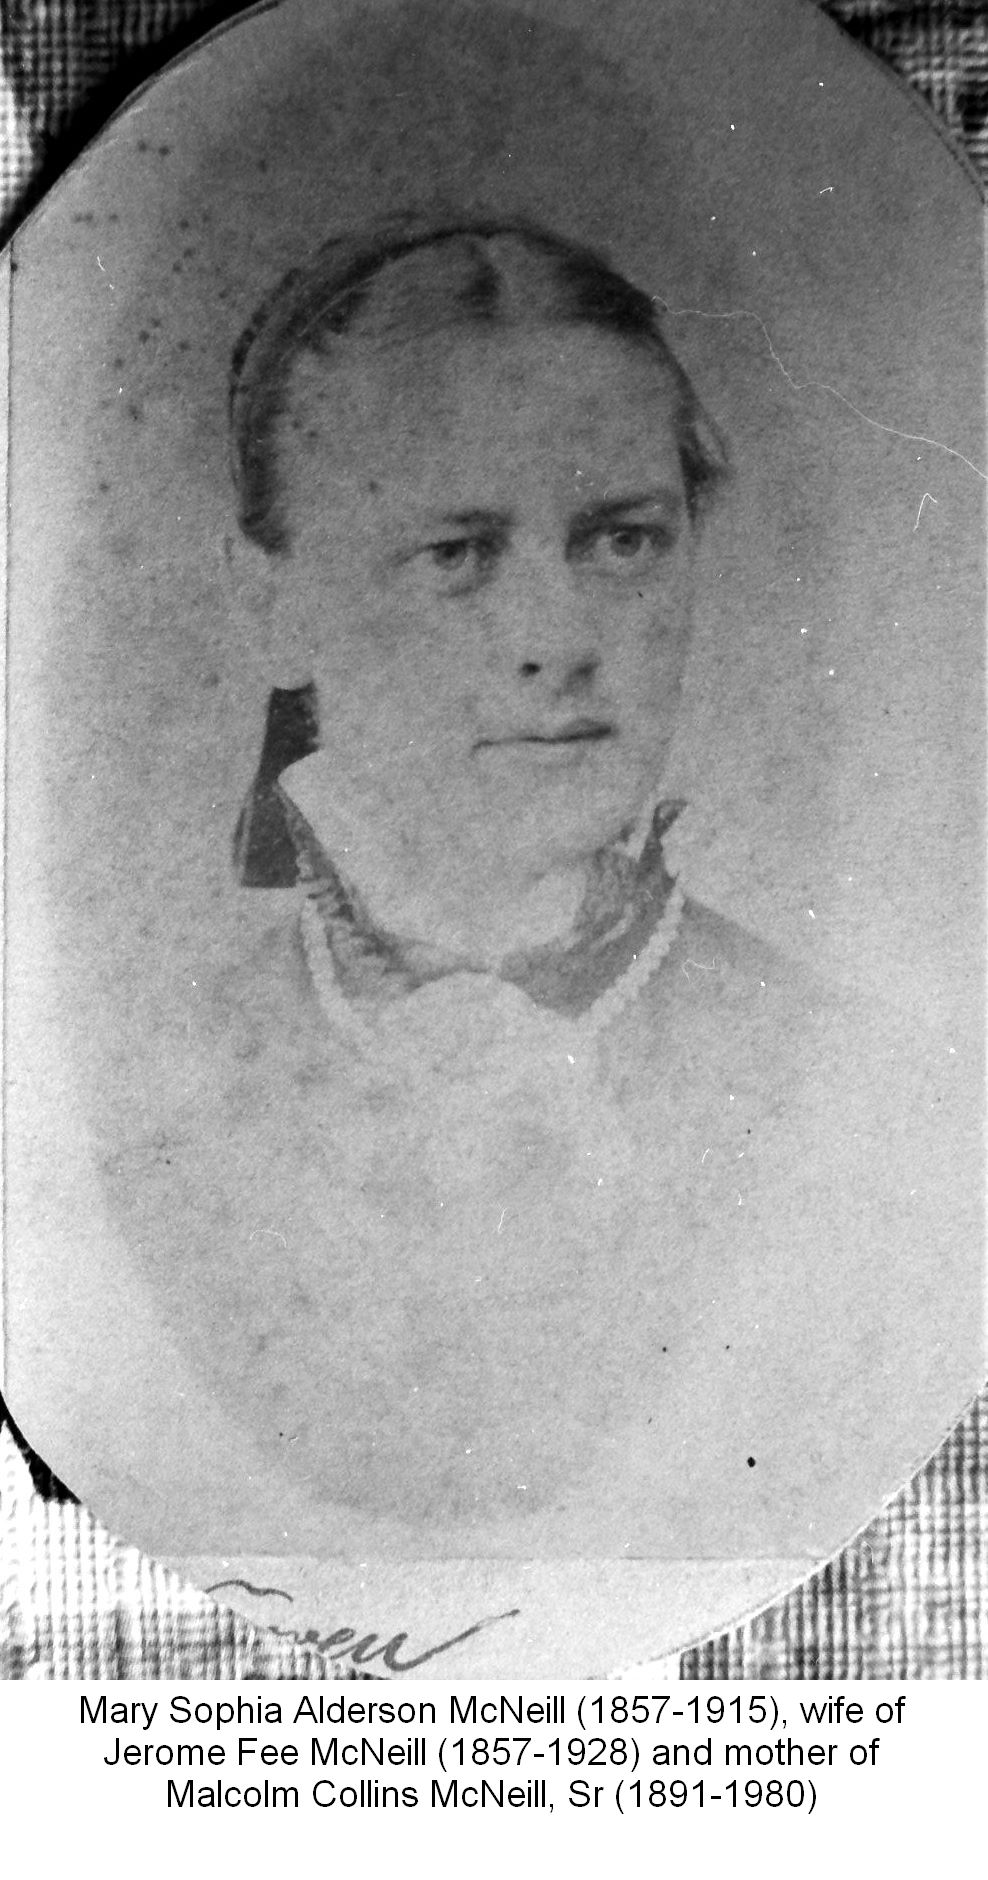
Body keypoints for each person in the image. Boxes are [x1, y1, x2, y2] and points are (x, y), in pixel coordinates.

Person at [109, 212, 978, 1560]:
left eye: (622, 541)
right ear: (273, 603)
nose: (558, 638)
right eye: (457, 554)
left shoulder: (893, 1120)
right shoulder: (124, 1142)